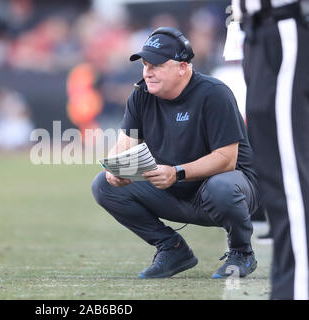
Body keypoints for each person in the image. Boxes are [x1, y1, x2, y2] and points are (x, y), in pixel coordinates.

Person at [91, 27, 260, 280]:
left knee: (222, 187)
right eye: (145, 65)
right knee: (103, 185)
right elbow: (123, 147)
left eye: (157, 65)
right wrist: (115, 170)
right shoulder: (141, 95)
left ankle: (241, 252)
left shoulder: (214, 93)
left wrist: (177, 173)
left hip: (224, 190)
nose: (148, 72)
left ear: (183, 67)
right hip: (172, 188)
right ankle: (172, 249)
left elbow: (227, 160)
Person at [232, 0, 309, 300]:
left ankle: (297, 291)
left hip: (285, 24)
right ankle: (289, 287)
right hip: (259, 31)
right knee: (278, 178)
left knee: (288, 177)